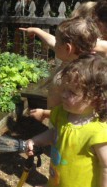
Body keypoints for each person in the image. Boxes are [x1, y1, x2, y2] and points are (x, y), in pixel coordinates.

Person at [25, 54, 107, 187]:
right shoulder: (62, 113)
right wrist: (36, 140)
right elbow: (56, 134)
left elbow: (106, 167)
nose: (63, 94)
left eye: (72, 93)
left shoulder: (98, 132)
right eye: (64, 89)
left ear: (96, 99)